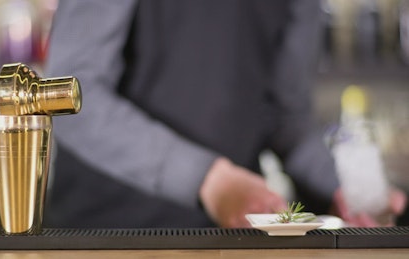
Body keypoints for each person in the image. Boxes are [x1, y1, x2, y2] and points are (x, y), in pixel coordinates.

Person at [43, 0, 407, 228]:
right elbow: (71, 95)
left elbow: (285, 116)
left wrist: (340, 189)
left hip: (233, 238)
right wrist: (208, 179)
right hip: (106, 234)